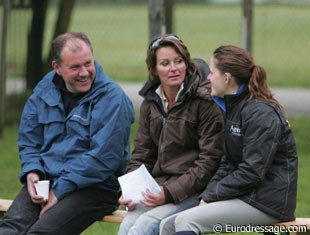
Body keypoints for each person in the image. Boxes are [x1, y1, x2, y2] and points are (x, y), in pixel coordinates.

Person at [0, 32, 135, 235]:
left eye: (88, 63)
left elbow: (104, 159)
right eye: (75, 67)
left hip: (95, 187)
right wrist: (32, 170)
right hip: (48, 180)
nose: (84, 72)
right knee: (9, 229)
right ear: (57, 68)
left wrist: (60, 191)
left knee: (42, 232)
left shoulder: (112, 99)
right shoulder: (43, 92)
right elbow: (29, 140)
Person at [160, 45, 298, 235]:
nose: (208, 78)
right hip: (246, 196)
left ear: (227, 78)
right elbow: (226, 163)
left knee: (187, 221)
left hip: (266, 203)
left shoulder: (261, 113)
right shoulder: (234, 108)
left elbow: (251, 172)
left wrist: (213, 195)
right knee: (167, 225)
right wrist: (207, 196)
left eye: (212, 72)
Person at [117, 34, 225, 235]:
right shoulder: (151, 103)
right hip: (158, 188)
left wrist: (168, 194)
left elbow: (209, 161)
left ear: (187, 64)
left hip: (193, 191)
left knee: (141, 228)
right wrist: (130, 191)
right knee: (126, 227)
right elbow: (142, 153)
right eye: (165, 63)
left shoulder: (205, 102)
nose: (173, 68)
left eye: (179, 61)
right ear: (155, 70)